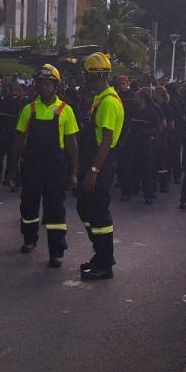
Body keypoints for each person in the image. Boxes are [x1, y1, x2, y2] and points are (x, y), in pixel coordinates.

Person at [6, 64, 79, 267]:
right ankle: (29, 238)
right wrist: (12, 167)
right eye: (41, 84)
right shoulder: (28, 109)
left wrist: (73, 172)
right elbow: (19, 140)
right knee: (28, 204)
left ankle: (56, 250)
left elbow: (72, 144)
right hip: (32, 165)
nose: (44, 87)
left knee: (55, 208)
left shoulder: (66, 110)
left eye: (48, 84)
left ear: (55, 86)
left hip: (55, 166)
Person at [76, 53, 123, 281]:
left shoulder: (108, 102)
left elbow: (106, 141)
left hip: (100, 165)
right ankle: (101, 254)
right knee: (85, 209)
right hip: (93, 163)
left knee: (98, 214)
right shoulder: (100, 97)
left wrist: (93, 172)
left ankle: (105, 264)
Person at [0, 84, 23, 192]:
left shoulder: (17, 106)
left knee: (12, 160)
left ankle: (13, 182)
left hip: (12, 135)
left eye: (6, 91)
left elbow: (19, 122)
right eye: (3, 91)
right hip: (0, 135)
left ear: (12, 92)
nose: (4, 93)